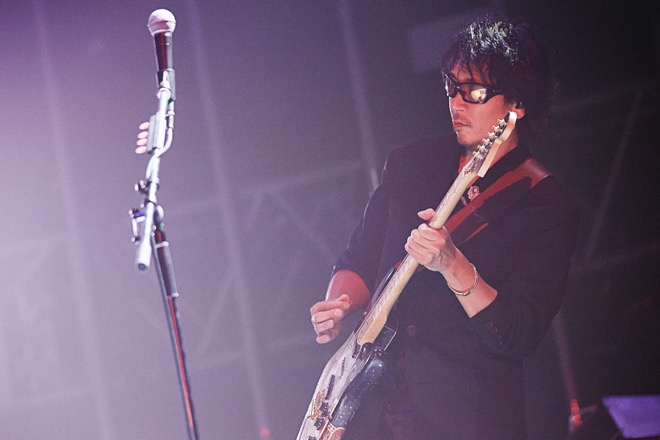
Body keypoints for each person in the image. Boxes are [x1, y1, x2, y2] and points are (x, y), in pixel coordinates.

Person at [308, 14, 580, 440]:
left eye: (474, 92)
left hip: (468, 419)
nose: (456, 103)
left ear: (517, 103)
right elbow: (358, 258)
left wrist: (453, 264)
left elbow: (518, 332)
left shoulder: (545, 203)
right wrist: (338, 304)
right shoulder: (410, 164)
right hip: (376, 414)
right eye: (451, 87)